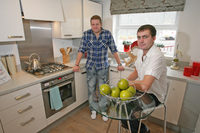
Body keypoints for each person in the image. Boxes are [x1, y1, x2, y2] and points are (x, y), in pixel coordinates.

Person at [73, 15, 124, 121]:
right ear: (90, 24)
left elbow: (114, 49)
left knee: (103, 90)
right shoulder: (86, 34)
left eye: (97, 24)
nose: (95, 26)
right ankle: (93, 109)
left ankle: (104, 110)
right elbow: (81, 50)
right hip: (91, 67)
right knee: (91, 89)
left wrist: (119, 64)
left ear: (101, 24)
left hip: (103, 67)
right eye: (93, 24)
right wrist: (76, 64)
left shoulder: (107, 34)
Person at [121, 24, 167, 133]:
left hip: (153, 95)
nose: (141, 41)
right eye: (139, 37)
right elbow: (137, 70)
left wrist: (128, 84)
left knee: (125, 106)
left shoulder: (156, 56)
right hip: (141, 91)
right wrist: (126, 81)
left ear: (153, 38)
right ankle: (129, 124)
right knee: (119, 101)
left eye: (145, 37)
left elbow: (145, 86)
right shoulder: (141, 51)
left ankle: (143, 130)